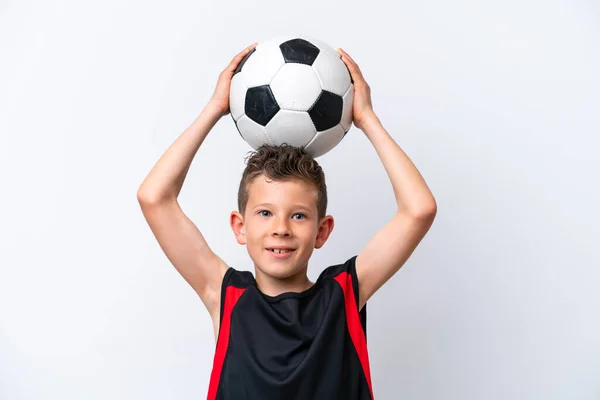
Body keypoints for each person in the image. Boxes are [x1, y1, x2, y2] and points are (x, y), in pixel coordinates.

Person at [137, 43, 437, 400]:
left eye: (298, 215)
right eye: (265, 213)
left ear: (322, 231)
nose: (281, 228)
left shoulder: (343, 295)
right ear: (239, 226)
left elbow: (419, 209)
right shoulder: (226, 295)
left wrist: (367, 120)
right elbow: (154, 197)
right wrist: (214, 110)